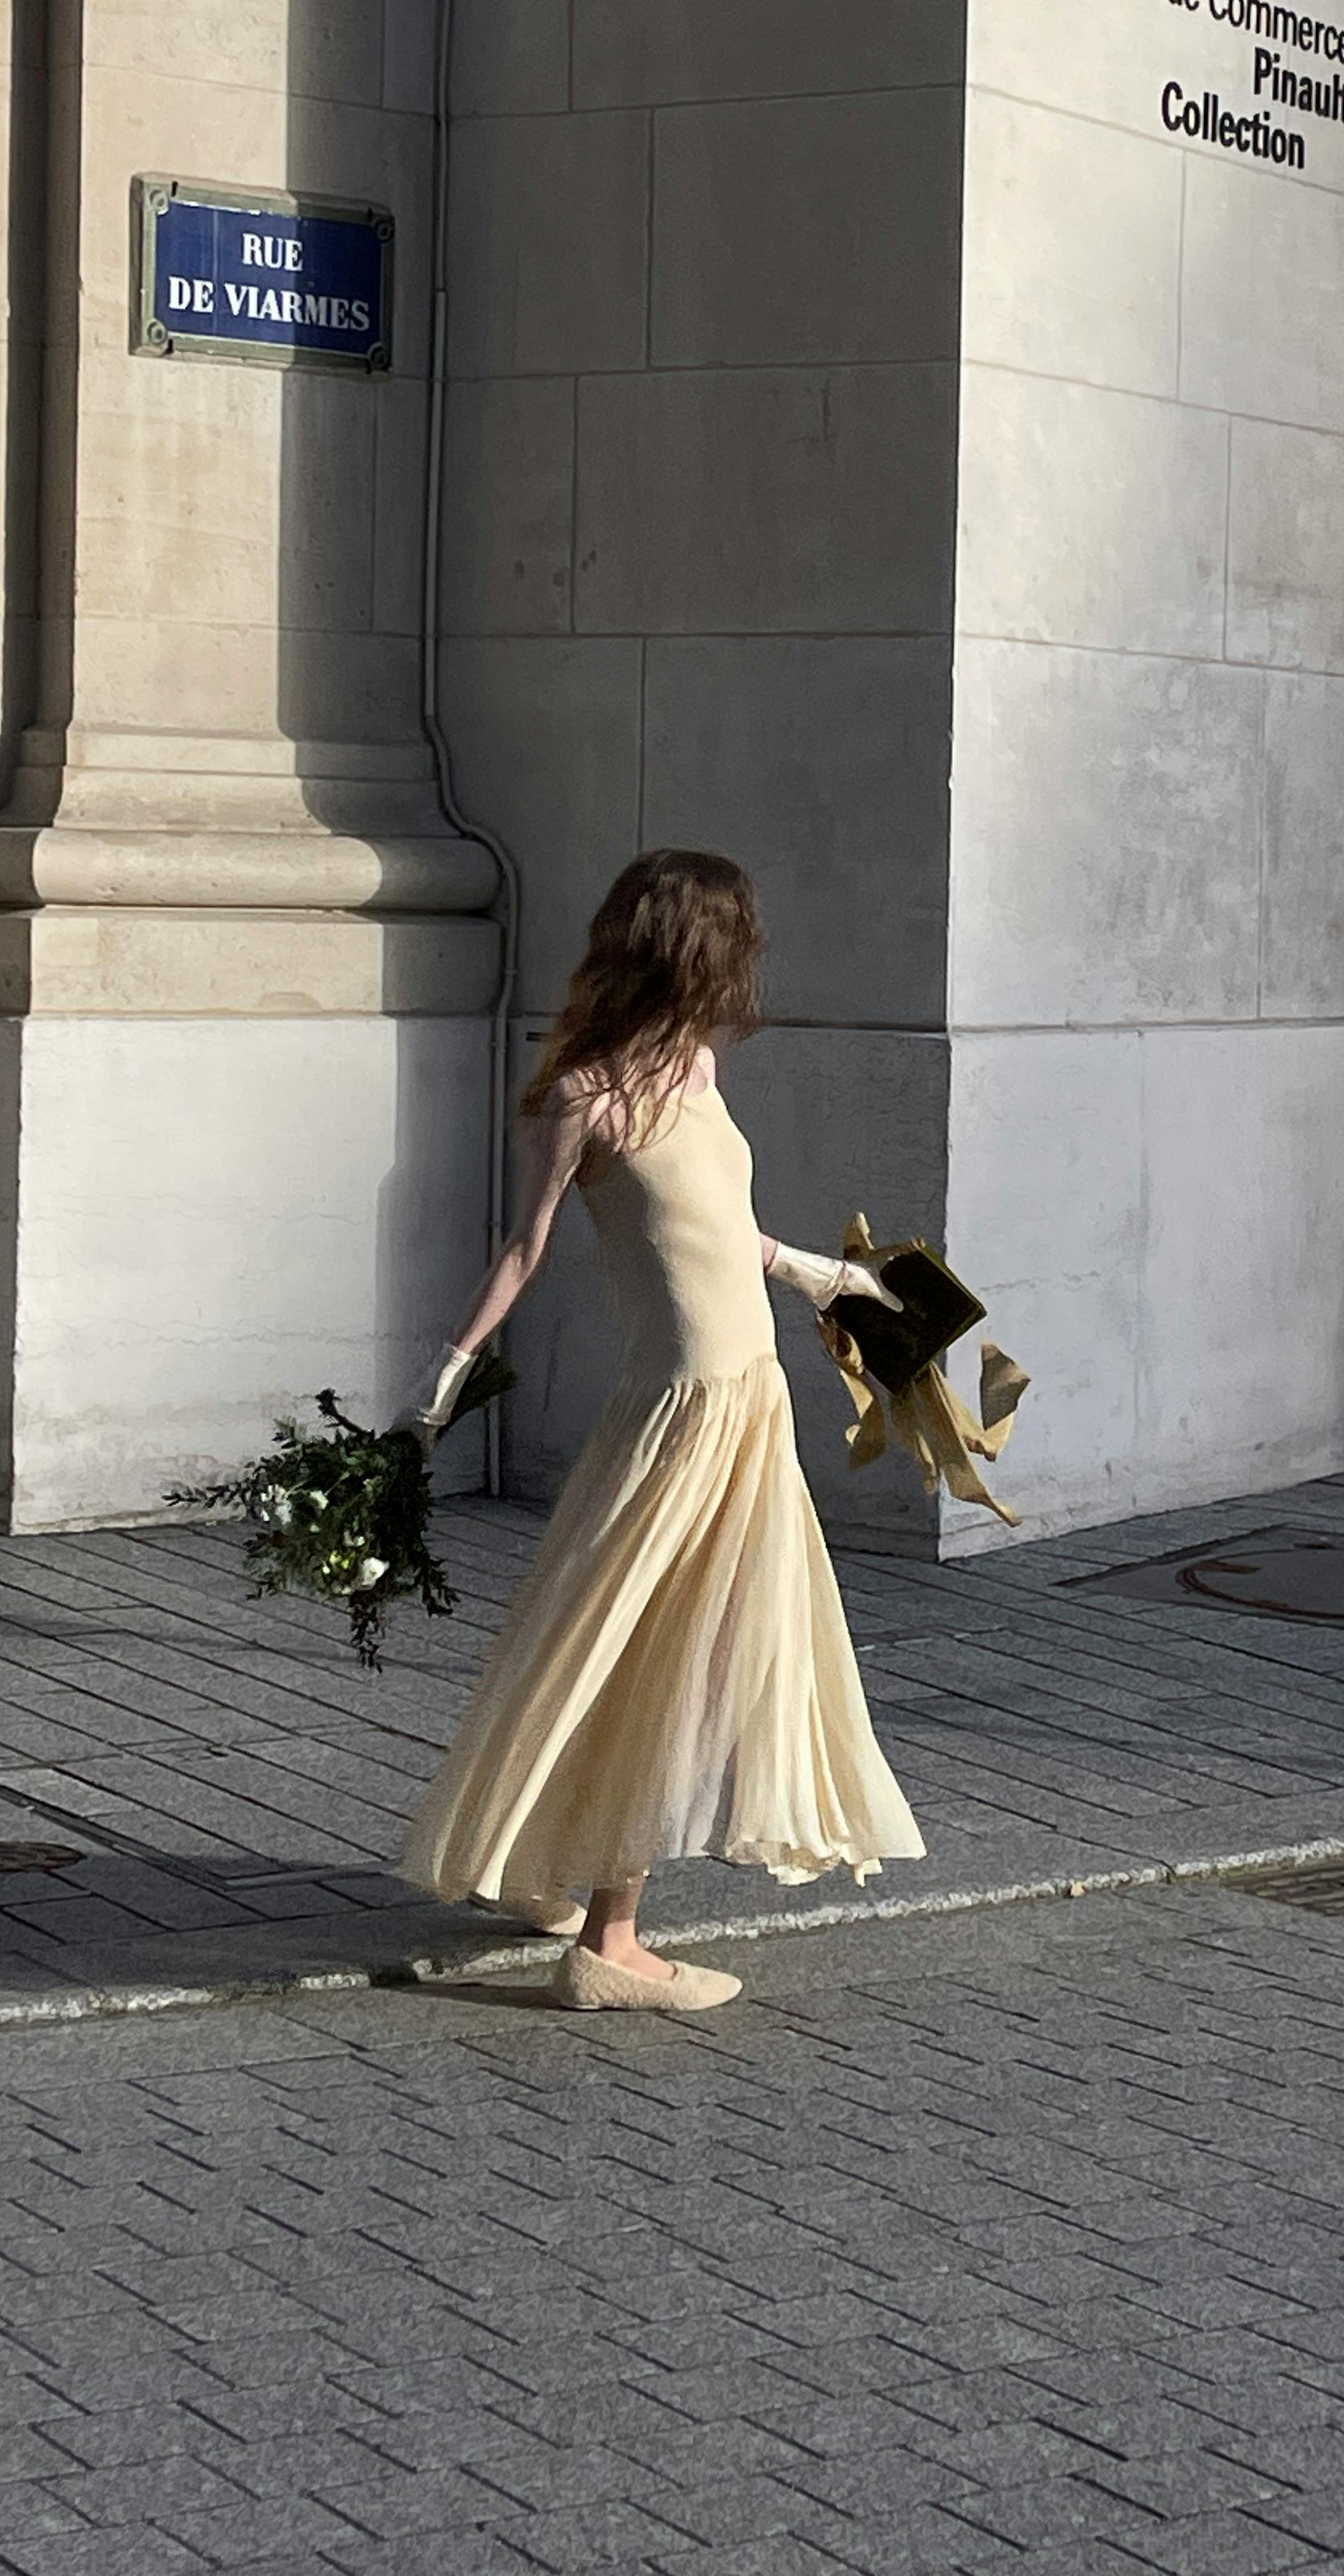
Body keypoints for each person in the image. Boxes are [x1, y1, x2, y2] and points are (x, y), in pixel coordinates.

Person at [396, 848, 924, 2013]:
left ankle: (550, 1868)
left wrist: (825, 1276)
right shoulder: (584, 1096)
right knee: (655, 1654)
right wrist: (442, 1378)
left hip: (746, 1399)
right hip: (687, 1416)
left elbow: (719, 1226)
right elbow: (525, 1250)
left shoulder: (693, 1066)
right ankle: (610, 1946)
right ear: (704, 948)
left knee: (627, 1641)